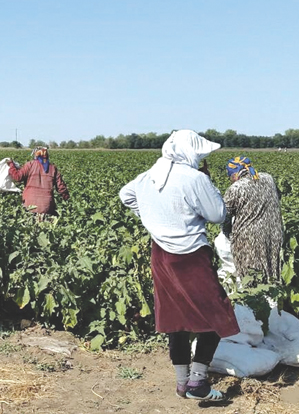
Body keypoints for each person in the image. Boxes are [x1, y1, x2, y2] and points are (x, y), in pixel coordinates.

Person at [119, 130, 239, 402]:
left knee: (177, 318)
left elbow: (125, 195)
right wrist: (208, 183)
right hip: (191, 256)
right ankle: (198, 381)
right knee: (216, 314)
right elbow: (217, 215)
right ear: (191, 152)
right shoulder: (194, 178)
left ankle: (182, 382)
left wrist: (151, 218)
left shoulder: (150, 174)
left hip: (160, 253)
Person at [222, 156, 283, 281]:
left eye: (230, 177)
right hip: (275, 234)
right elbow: (278, 196)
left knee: (251, 277)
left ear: (234, 174)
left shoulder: (236, 188)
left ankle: (255, 300)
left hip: (249, 240)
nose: (230, 180)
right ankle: (274, 299)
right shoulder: (268, 178)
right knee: (272, 271)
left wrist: (228, 234)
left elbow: (224, 216)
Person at [7, 147, 70, 217]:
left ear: (36, 155)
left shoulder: (29, 165)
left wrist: (11, 165)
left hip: (29, 205)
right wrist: (67, 200)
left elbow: (17, 177)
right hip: (47, 206)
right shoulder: (53, 168)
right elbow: (61, 188)